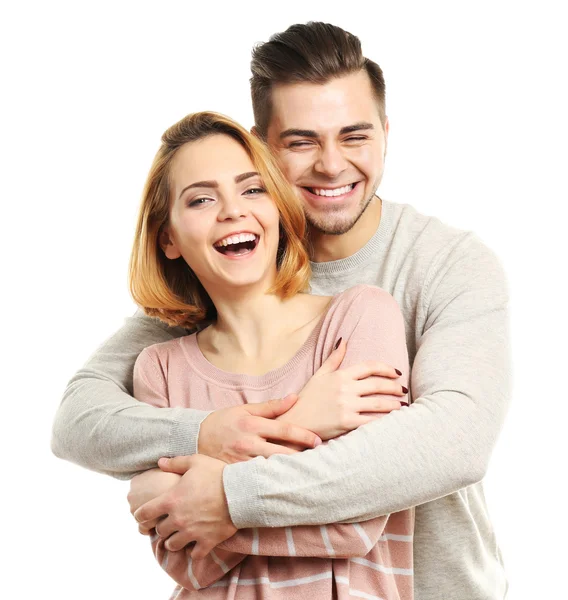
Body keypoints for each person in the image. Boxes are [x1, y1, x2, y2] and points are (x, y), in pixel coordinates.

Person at [52, 21, 511, 600]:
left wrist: (227, 496)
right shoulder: (210, 287)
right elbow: (78, 421)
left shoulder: (444, 265)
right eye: (300, 141)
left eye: (355, 135)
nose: (331, 165)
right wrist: (216, 433)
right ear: (260, 147)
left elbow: (454, 442)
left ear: (386, 134)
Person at [126, 110, 413, 598]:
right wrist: (307, 420)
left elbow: (356, 525)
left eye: (252, 189)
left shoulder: (360, 318)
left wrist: (212, 495)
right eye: (200, 199)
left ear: (278, 207)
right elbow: (189, 565)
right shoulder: (160, 369)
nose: (233, 211)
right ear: (168, 238)